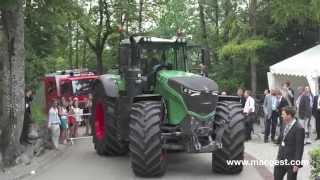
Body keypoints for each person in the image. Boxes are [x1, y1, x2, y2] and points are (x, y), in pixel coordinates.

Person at [274, 106, 305, 180]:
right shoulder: (284, 123)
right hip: (281, 159)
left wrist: (296, 164)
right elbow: (282, 139)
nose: (281, 116)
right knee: (277, 176)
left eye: (283, 114)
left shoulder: (299, 128)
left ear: (289, 116)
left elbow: (299, 148)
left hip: (291, 161)